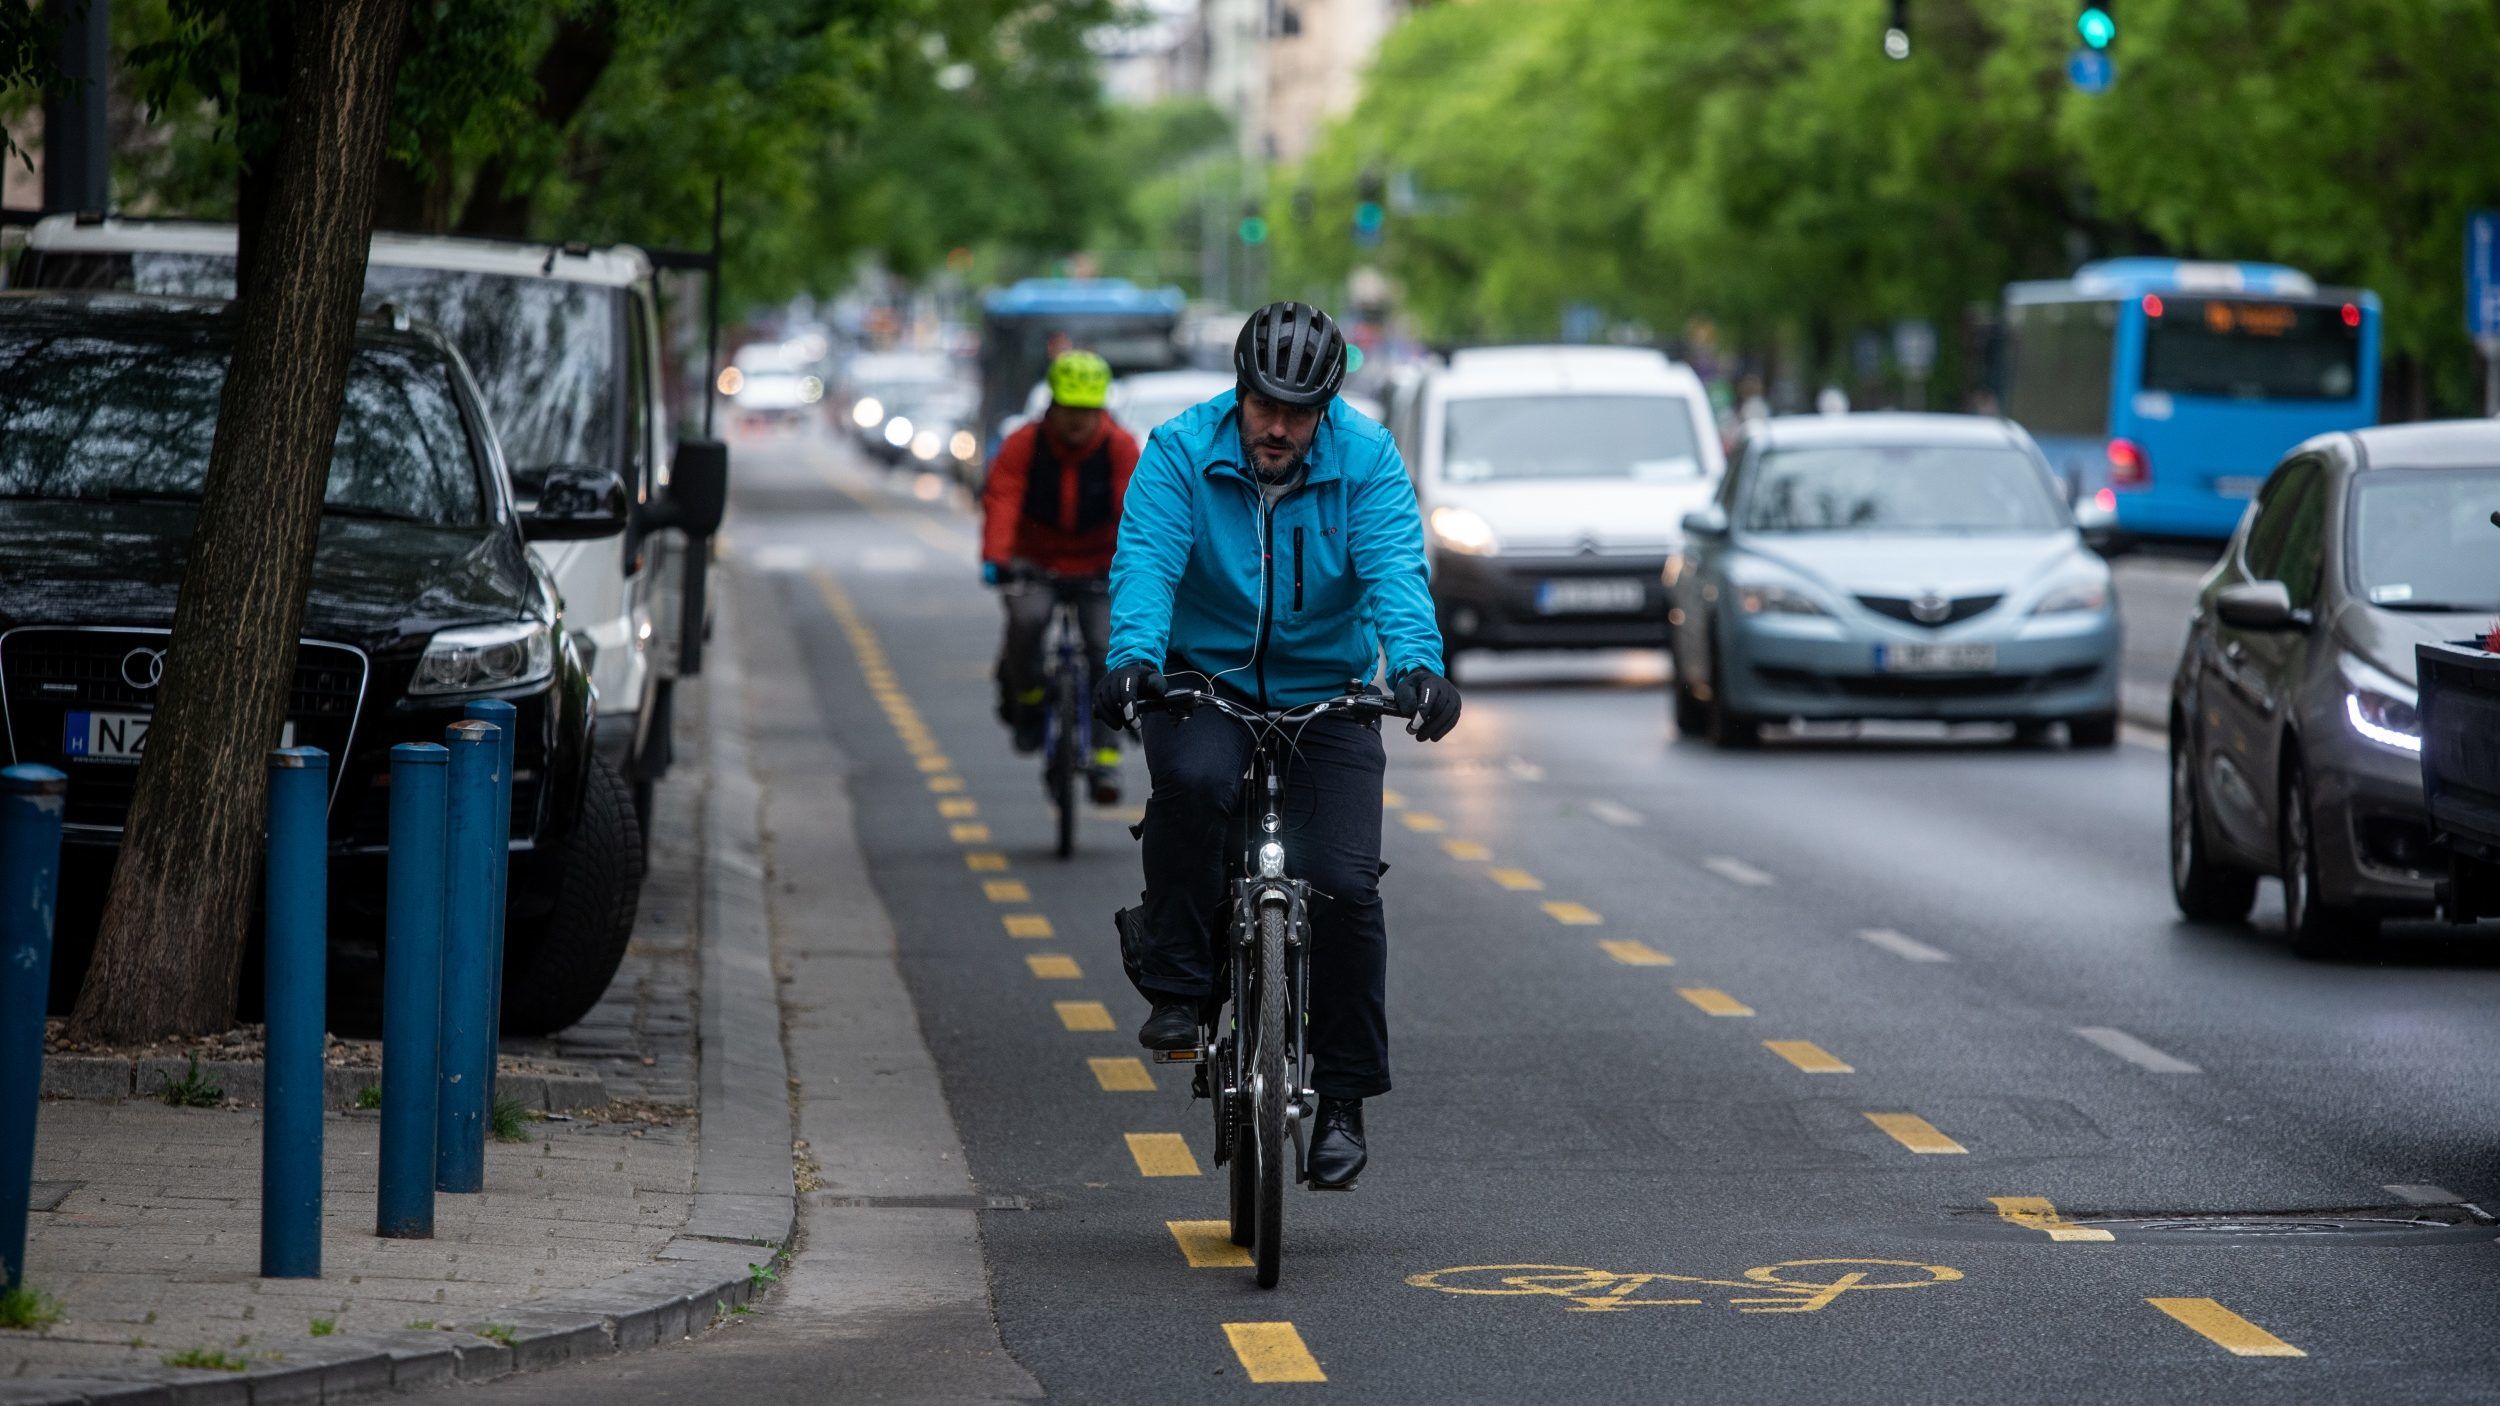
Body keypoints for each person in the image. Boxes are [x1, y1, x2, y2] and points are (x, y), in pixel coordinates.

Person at [1092, 301, 1461, 1190]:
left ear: (1327, 409)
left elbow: (1393, 570)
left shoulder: (1366, 459)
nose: (1280, 428)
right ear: (1241, 392)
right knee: (1192, 783)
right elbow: (1147, 560)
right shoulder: (1181, 450)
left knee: (1341, 881)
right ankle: (1181, 984)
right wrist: (1134, 659)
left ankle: (1340, 1098)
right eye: (1267, 407)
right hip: (1202, 681)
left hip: (1327, 694)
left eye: (1301, 414)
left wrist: (1416, 665)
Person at [980, 349, 1140, 803]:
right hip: (1035, 560)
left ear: (1102, 410)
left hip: (1099, 563)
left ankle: (1106, 759)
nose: (1077, 421)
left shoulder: (1120, 446)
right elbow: (1003, 499)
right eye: (1069, 408)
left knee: (1106, 646)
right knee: (1027, 621)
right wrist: (997, 557)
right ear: (1051, 405)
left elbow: (1137, 513)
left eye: (1087, 411)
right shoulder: (1023, 443)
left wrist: (1137, 568)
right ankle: (1027, 701)